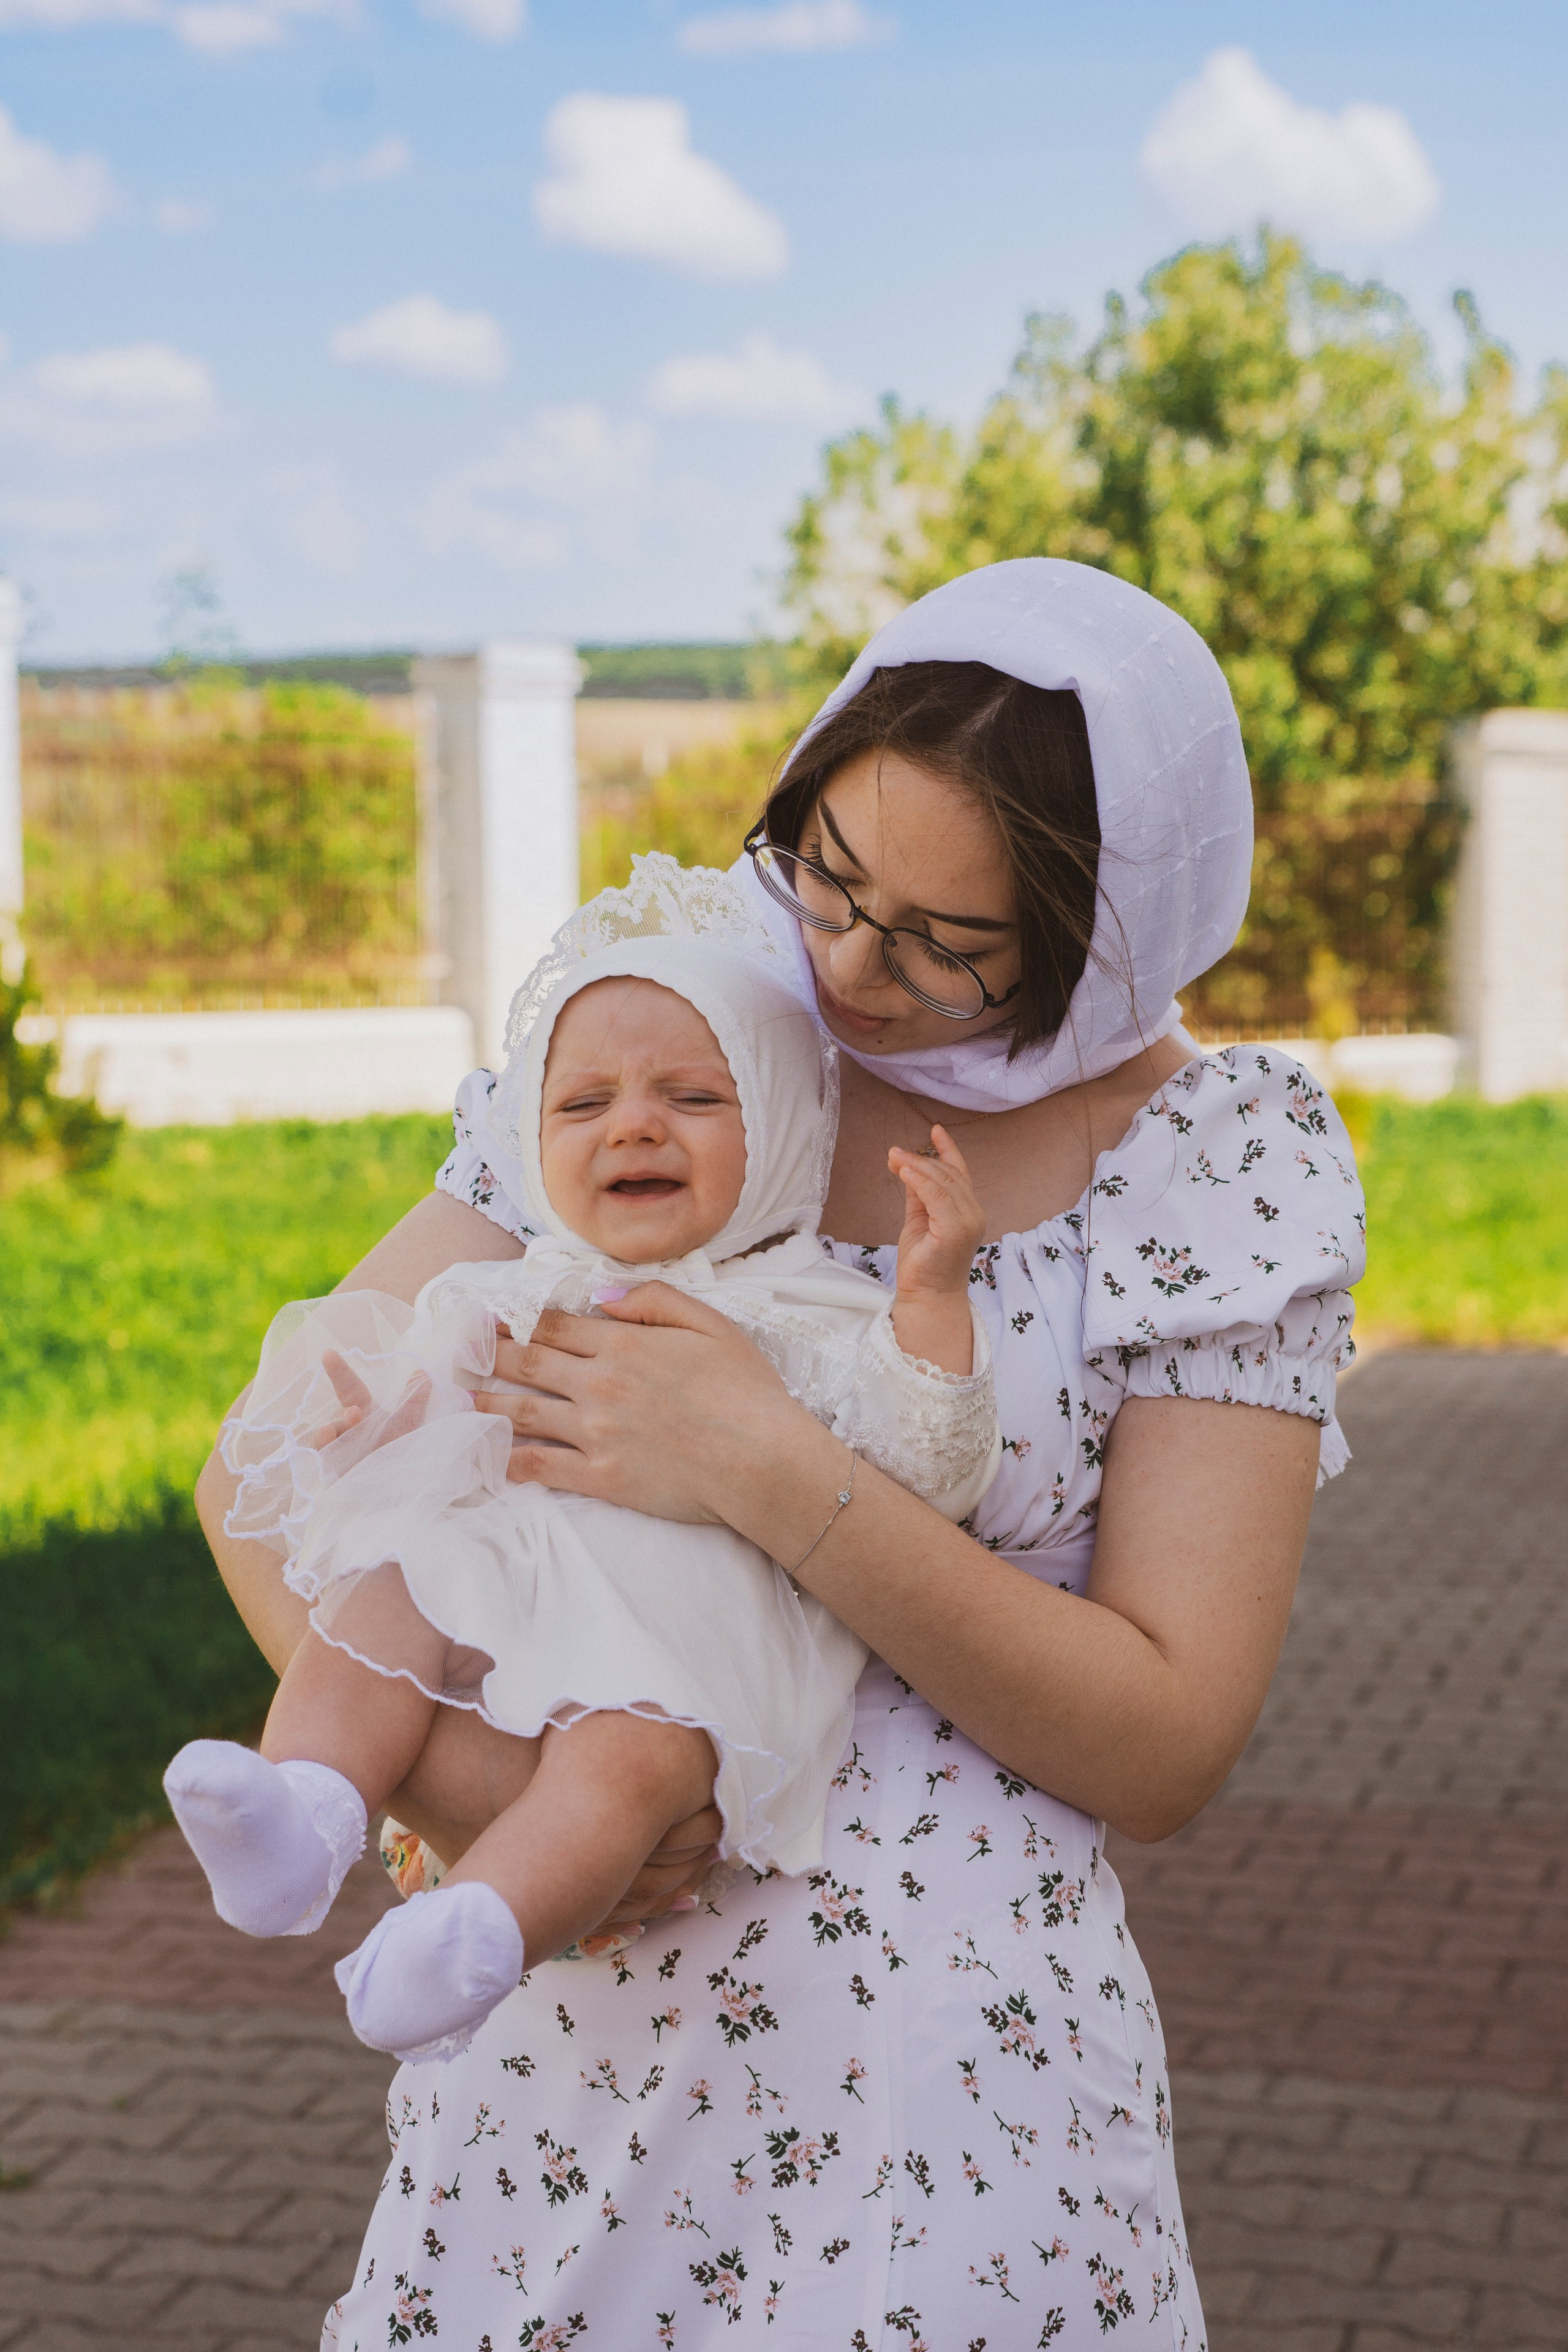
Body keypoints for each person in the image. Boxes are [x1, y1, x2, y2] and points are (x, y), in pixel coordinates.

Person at [198, 557, 1365, 2348]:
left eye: (944, 944)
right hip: (570, 2056)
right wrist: (465, 1791)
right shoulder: (664, 1035)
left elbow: (1167, 1738)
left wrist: (768, 1473)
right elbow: (269, 1466)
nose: (848, 968)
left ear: (1108, 934)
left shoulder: (1211, 1162)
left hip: (953, 2117)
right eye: (827, 873)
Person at [165, 873, 1000, 2064]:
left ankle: (478, 1928)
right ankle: (300, 1810)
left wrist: (928, 1305)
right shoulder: (506, 1289)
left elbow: (931, 1470)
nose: (633, 1125)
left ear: (780, 1126)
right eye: (583, 1103)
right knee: (380, 1608)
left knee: (626, 1764)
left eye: (693, 1096)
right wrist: (372, 1435)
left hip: (686, 1651)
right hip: (501, 1586)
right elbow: (432, 1421)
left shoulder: (810, 1313)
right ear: (531, 1144)